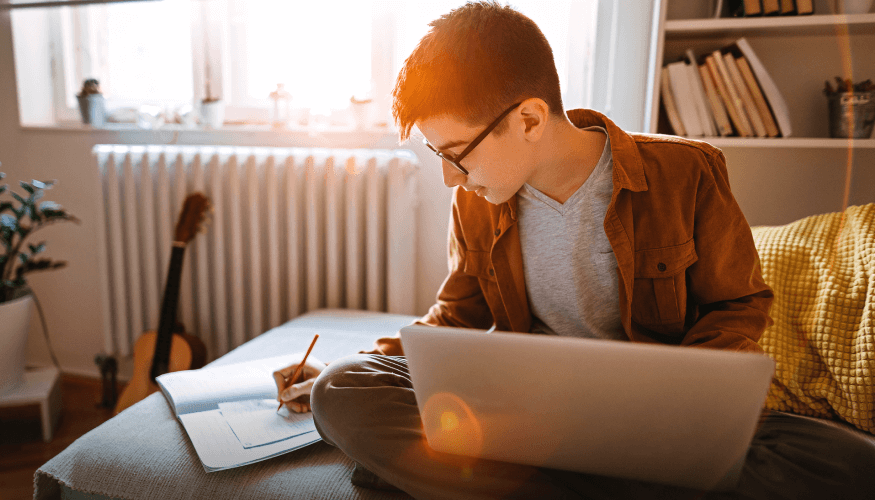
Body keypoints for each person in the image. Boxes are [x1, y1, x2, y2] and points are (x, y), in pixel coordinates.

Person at [274, 2, 875, 498]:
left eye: (456, 152)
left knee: (846, 461)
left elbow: (739, 303)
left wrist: (685, 399)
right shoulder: (477, 201)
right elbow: (456, 317)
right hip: (523, 418)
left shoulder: (686, 172)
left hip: (653, 419)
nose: (450, 179)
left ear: (531, 118)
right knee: (343, 389)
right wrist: (369, 359)